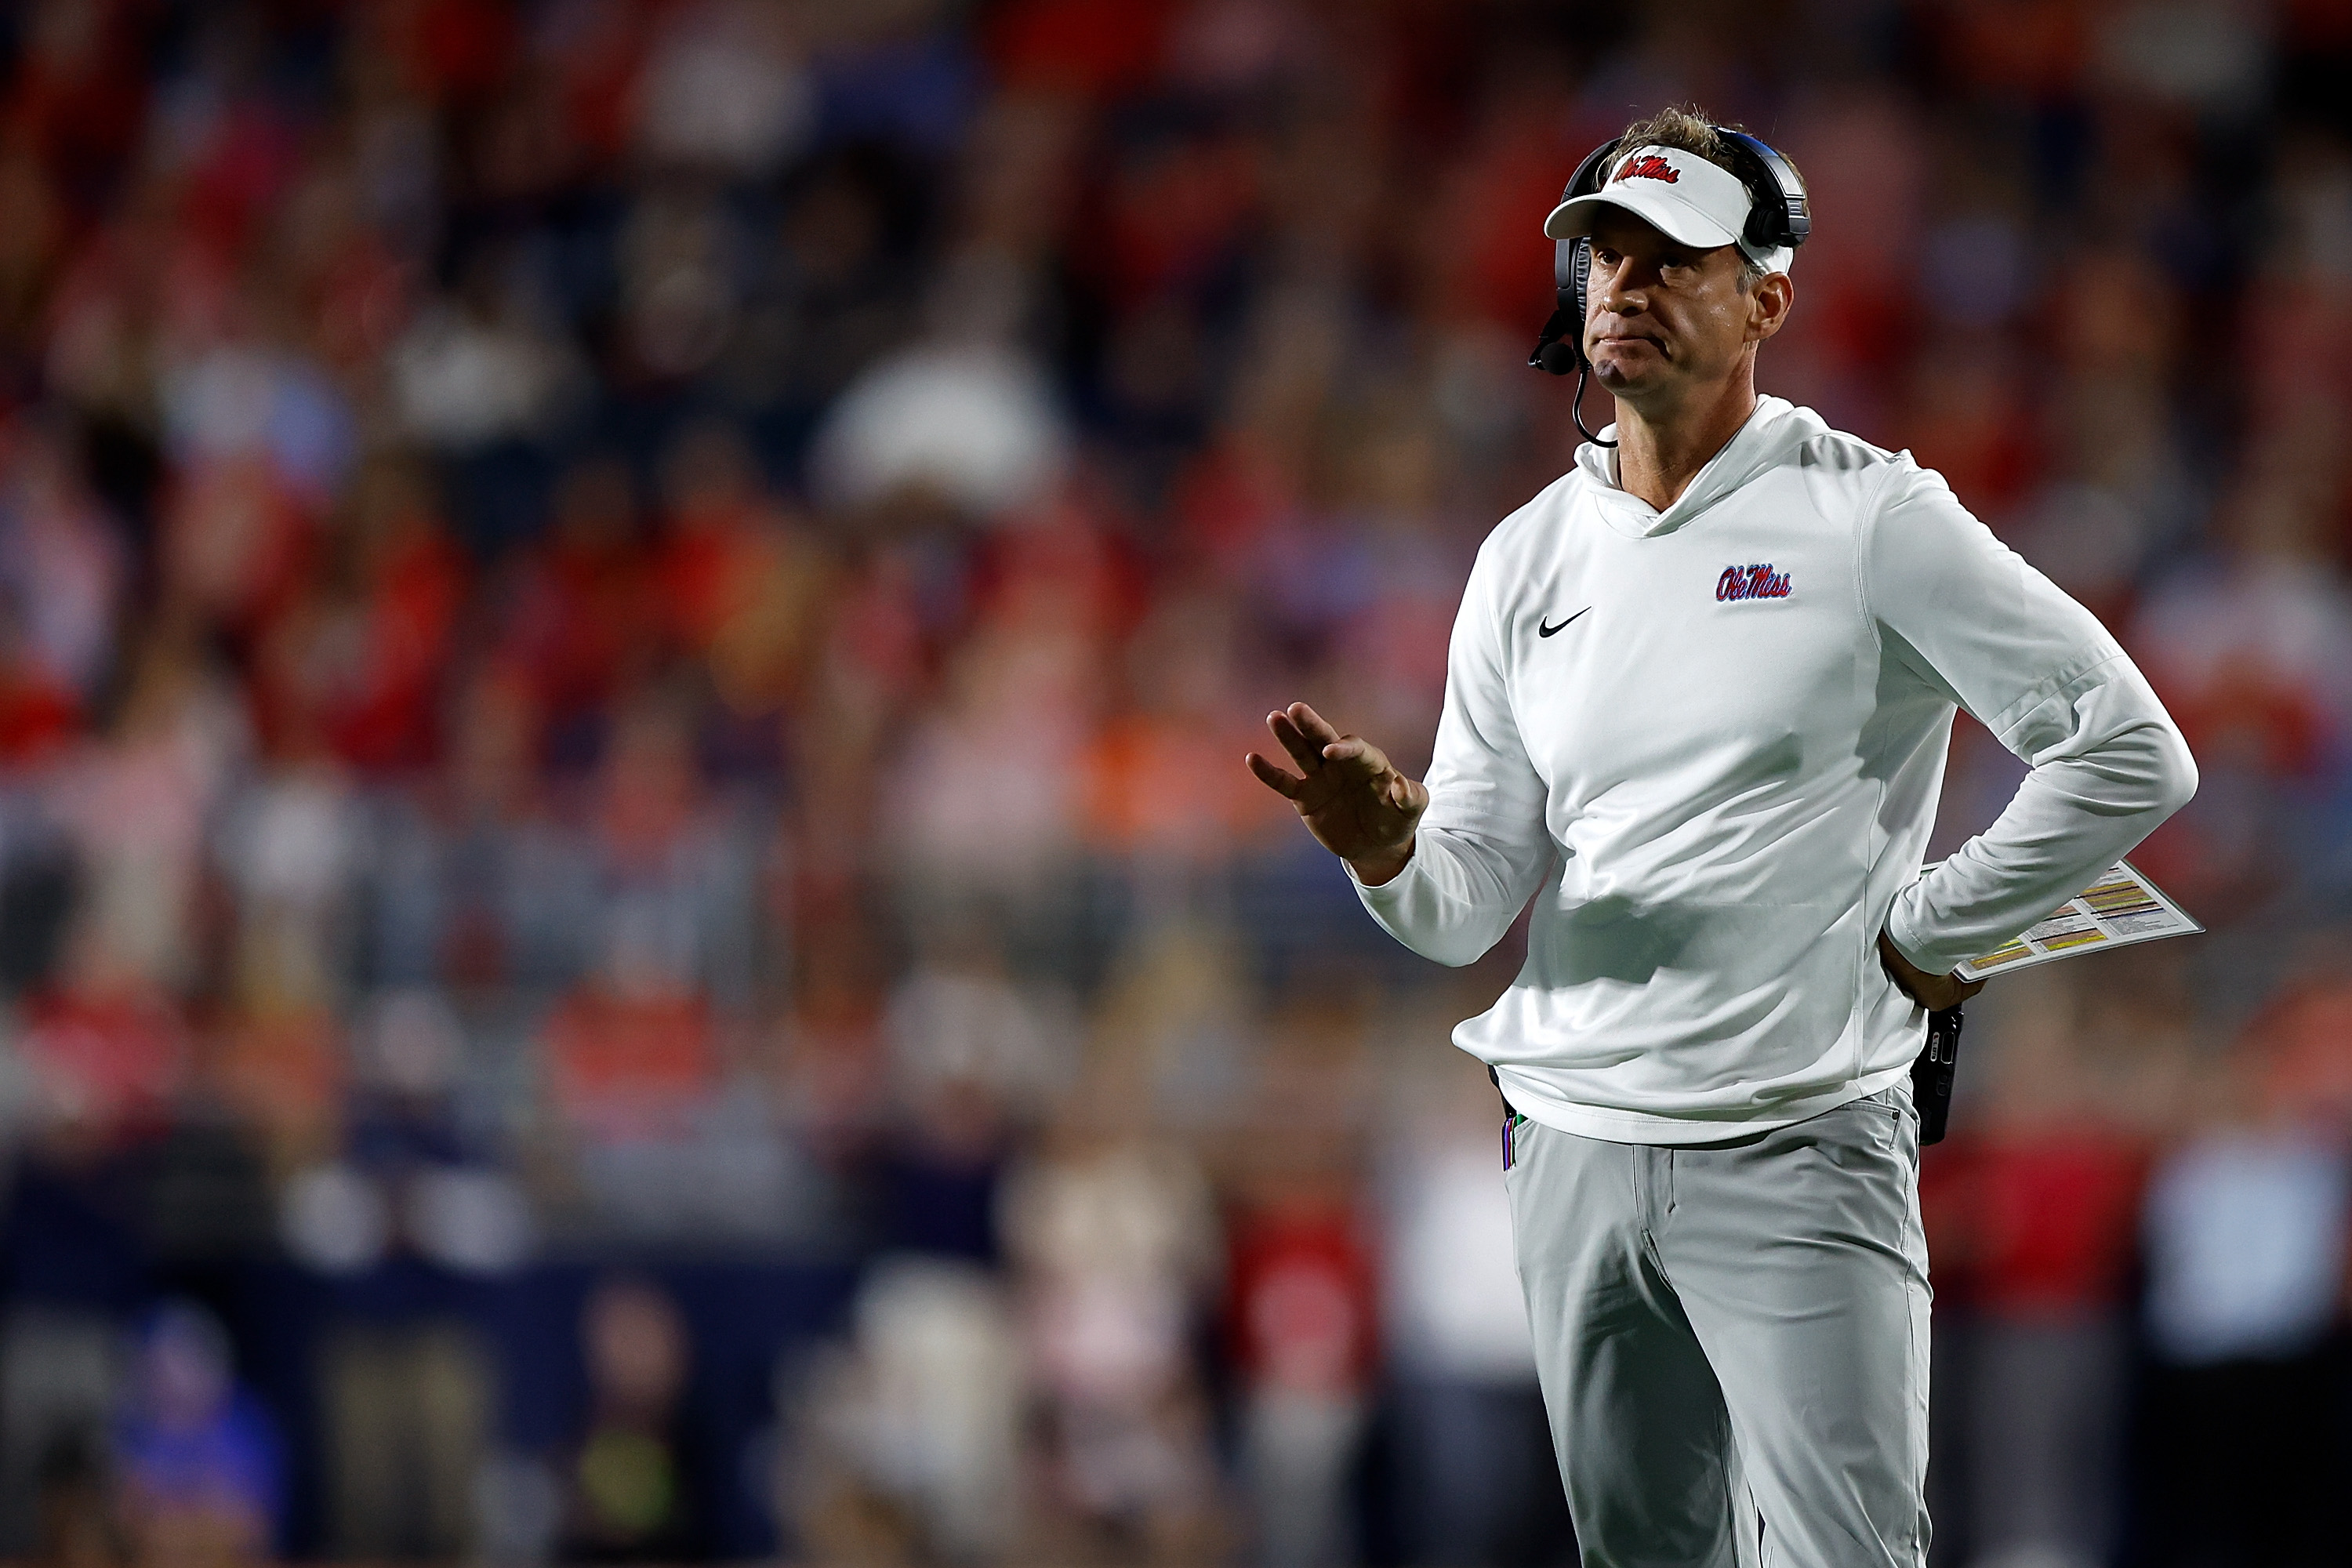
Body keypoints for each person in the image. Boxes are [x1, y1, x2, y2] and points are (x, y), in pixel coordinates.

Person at [1243, 105, 2196, 1566]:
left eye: (1670, 257)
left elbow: (2131, 752)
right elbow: (1461, 904)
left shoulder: (1872, 519)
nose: (1621, 286)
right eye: (1603, 256)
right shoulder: (1526, 558)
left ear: (1767, 295)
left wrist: (1936, 932)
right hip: (1566, 1147)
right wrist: (1384, 847)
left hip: (1800, 1141)